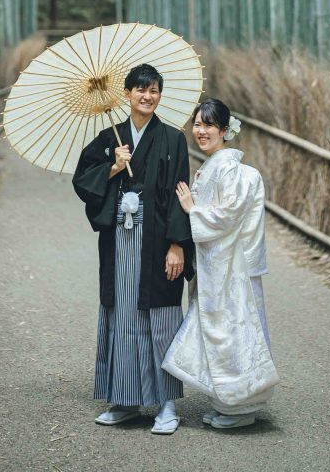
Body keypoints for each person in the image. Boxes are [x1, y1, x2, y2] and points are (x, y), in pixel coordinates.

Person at [72, 63, 193, 435]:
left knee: (160, 317)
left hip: (158, 239)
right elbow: (82, 182)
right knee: (123, 314)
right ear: (126, 94)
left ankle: (167, 404)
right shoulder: (110, 138)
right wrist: (113, 167)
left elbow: (178, 193)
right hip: (121, 241)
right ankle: (124, 400)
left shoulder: (173, 139)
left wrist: (177, 245)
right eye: (141, 89)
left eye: (154, 89)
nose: (148, 96)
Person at [162, 98, 279, 430]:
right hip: (218, 263)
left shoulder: (228, 168)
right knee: (223, 331)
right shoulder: (214, 165)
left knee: (233, 330)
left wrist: (191, 209)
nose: (201, 131)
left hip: (231, 267)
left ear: (225, 131)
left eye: (209, 125)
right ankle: (227, 402)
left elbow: (227, 215)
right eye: (197, 124)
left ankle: (241, 406)